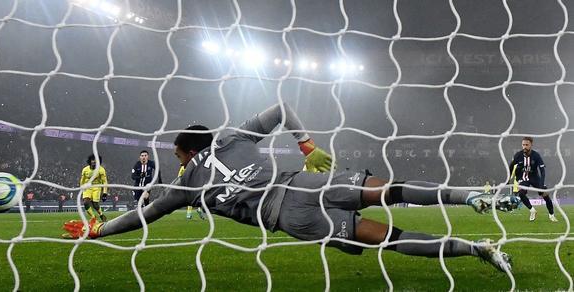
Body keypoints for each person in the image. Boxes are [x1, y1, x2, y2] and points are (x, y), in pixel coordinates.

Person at [64, 103, 514, 272]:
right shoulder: (233, 137)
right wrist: (306, 145)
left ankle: (478, 250)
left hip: (292, 216)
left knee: (388, 240)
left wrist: (95, 231)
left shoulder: (184, 184)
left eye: (177, 155)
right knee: (390, 189)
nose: (177, 161)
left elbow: (142, 215)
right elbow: (280, 108)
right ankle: (473, 196)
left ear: (183, 151)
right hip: (305, 181)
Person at [509, 137, 557, 222]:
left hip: (534, 177)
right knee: (521, 193)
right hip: (523, 177)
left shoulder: (536, 155)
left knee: (545, 195)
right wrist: (508, 178)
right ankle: (532, 210)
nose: (524, 147)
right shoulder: (518, 155)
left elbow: (542, 170)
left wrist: (541, 183)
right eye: (523, 145)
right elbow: (511, 166)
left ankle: (551, 215)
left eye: (526, 145)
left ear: (531, 145)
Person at [80, 154, 109, 222]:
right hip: (87, 187)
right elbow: (82, 180)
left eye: (96, 160)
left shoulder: (101, 170)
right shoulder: (85, 170)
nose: (94, 161)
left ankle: (101, 215)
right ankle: (93, 217)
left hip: (97, 187)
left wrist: (105, 193)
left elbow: (105, 182)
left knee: (95, 204)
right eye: (93, 160)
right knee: (85, 202)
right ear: (90, 161)